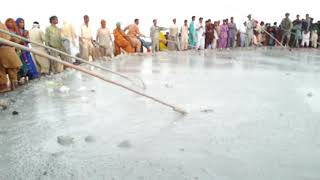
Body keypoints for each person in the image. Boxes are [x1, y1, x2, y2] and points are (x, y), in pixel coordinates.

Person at [0, 21, 22, 92]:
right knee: (7, 71)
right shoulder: (3, 25)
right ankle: (6, 86)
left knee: (10, 70)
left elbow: (9, 38)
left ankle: (9, 86)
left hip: (6, 50)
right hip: (7, 50)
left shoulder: (2, 26)